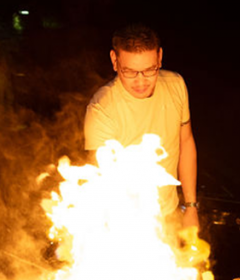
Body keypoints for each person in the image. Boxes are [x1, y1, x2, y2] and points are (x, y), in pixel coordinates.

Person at [84, 24, 199, 230]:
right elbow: (102, 180)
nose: (141, 81)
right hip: (126, 223)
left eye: (149, 70)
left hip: (169, 212)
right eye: (130, 72)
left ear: (160, 57)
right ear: (114, 60)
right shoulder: (102, 108)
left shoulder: (176, 85)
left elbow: (186, 141)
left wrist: (191, 206)